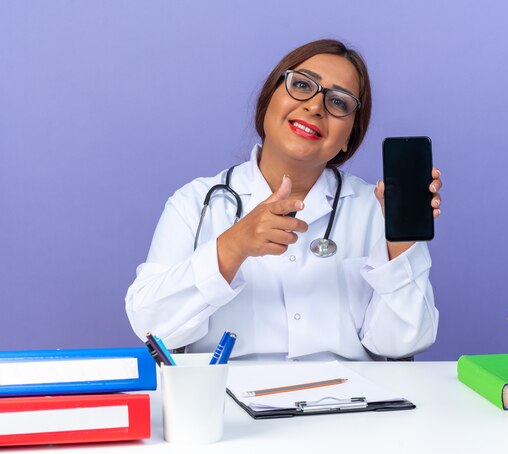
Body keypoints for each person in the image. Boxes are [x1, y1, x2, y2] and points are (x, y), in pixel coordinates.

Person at [125, 39, 443, 361]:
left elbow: (402, 343)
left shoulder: (374, 209)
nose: (315, 106)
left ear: (349, 137)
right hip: (225, 402)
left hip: (351, 404)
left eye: (339, 102)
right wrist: (233, 246)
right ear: (268, 101)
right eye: (302, 84)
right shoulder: (195, 204)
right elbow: (151, 325)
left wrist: (401, 242)